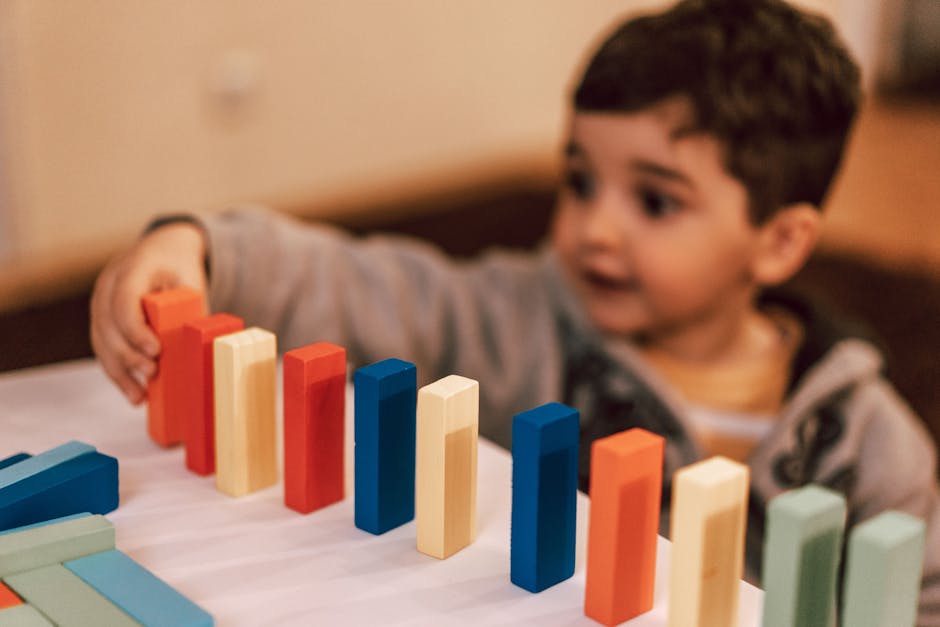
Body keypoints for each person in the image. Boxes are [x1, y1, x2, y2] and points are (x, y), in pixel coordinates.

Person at [90, 0, 940, 620]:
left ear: (780, 242)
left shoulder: (871, 441)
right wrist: (194, 244)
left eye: (654, 202)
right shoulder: (517, 318)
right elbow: (360, 282)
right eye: (578, 181)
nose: (593, 228)